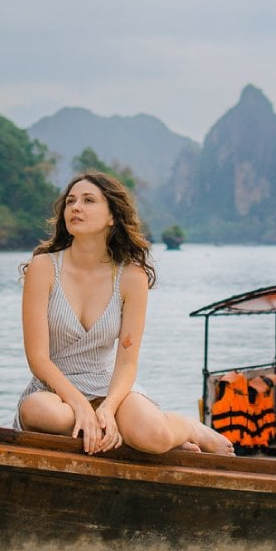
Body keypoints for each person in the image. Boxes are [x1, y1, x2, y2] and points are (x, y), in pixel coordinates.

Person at [17, 173, 234, 456]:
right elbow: (38, 359)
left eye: (88, 200)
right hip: (55, 392)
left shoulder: (131, 276)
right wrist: (81, 406)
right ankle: (115, 430)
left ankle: (187, 427)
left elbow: (127, 363)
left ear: (112, 216)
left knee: (153, 437)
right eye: (70, 201)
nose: (75, 207)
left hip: (110, 387)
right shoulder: (44, 268)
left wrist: (108, 407)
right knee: (39, 412)